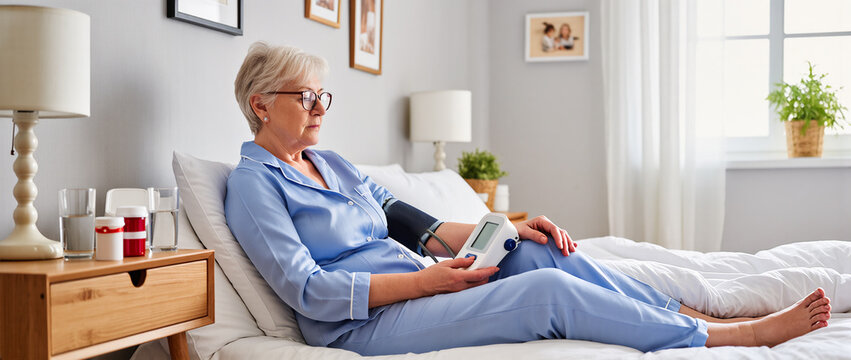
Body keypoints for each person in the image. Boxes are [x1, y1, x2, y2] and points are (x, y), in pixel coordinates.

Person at [224, 42, 831, 356]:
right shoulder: (255, 185)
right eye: (306, 98)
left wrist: (500, 230)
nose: (318, 109)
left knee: (540, 257)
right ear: (260, 103)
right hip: (360, 325)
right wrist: (423, 284)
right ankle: (730, 339)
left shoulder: (331, 162)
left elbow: (420, 227)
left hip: (418, 283)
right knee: (546, 294)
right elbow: (307, 291)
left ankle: (693, 317)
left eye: (323, 98)